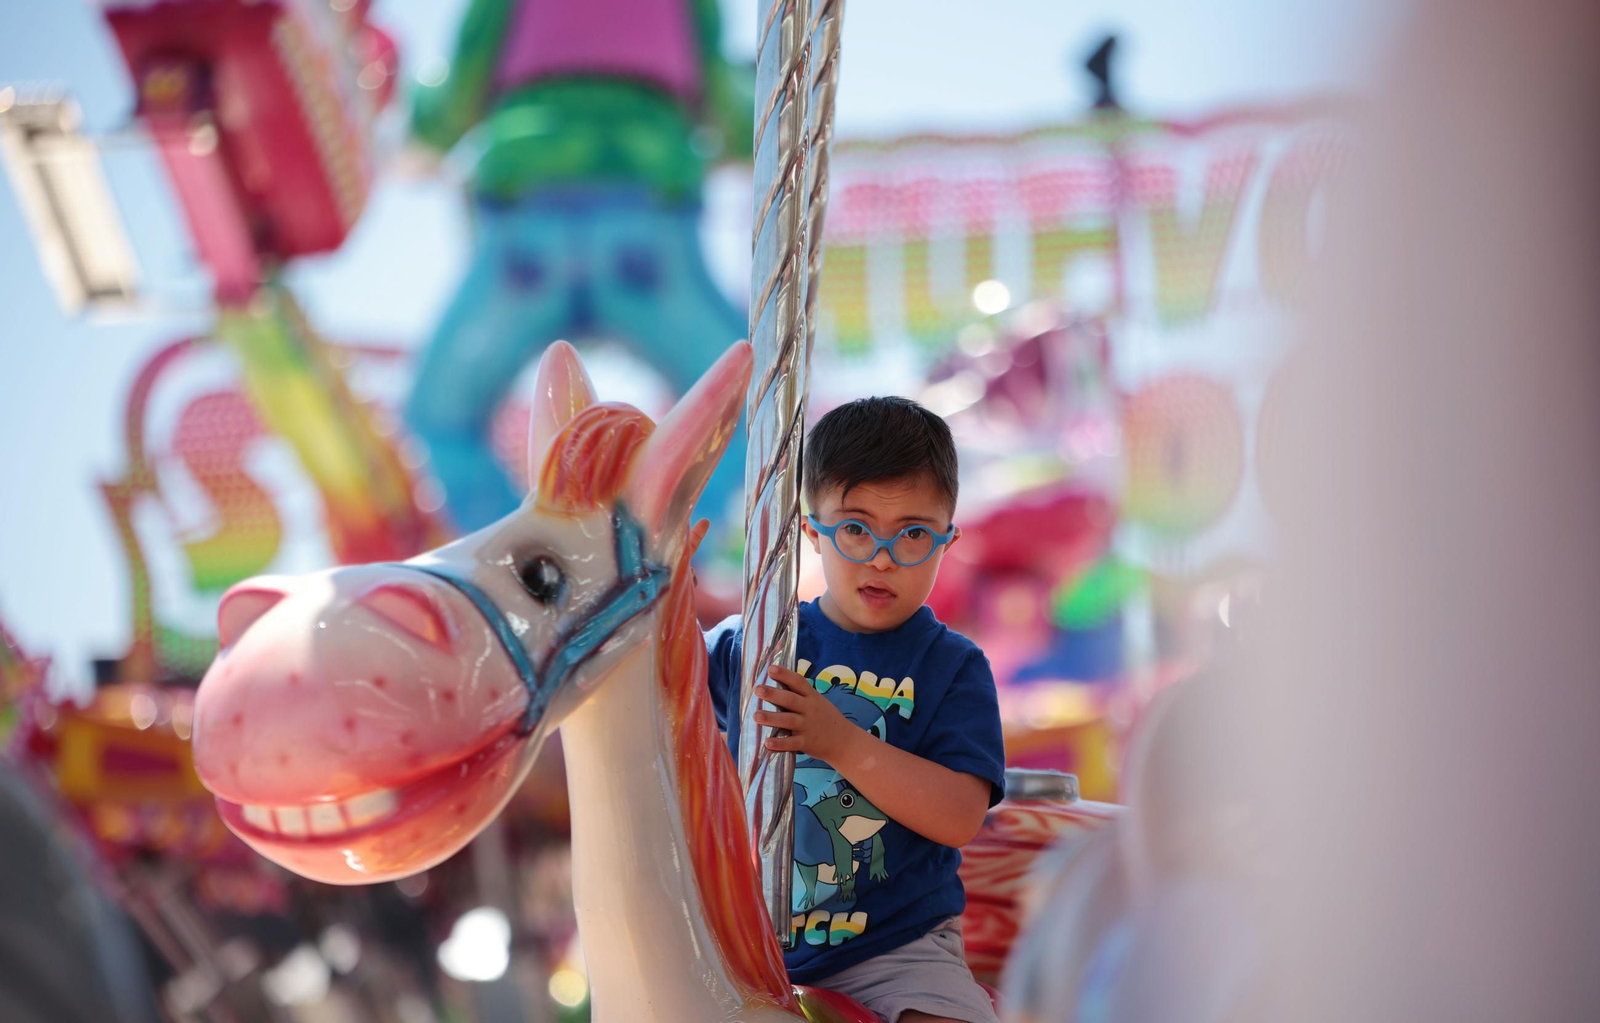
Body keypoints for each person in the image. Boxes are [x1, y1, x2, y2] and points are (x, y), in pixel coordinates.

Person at [705, 396, 1006, 1023]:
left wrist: (842, 743)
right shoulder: (757, 646)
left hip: (895, 950)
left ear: (949, 540)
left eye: (914, 534)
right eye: (856, 527)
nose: (883, 556)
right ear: (811, 532)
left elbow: (958, 816)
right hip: (740, 940)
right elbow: (650, 697)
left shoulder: (951, 667)